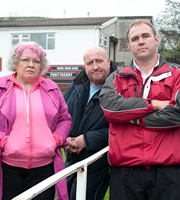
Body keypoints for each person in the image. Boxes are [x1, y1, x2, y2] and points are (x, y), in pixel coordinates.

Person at [99, 19, 180, 200]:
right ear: (129, 45)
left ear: (157, 40)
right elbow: (110, 109)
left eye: (145, 36)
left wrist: (135, 119)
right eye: (135, 38)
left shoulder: (177, 75)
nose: (140, 41)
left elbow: (177, 112)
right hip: (126, 173)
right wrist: (155, 104)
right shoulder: (117, 77)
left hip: (168, 172)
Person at [0, 41, 72, 200]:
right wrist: (4, 141)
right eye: (25, 60)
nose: (31, 65)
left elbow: (65, 119)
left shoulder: (52, 88)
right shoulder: (2, 87)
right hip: (8, 168)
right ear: (15, 63)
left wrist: (56, 139)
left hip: (44, 168)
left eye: (36, 61)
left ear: (42, 66)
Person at [64, 46, 117, 200]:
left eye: (99, 61)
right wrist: (65, 137)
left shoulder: (120, 88)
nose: (95, 66)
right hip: (71, 158)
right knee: (66, 196)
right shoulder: (77, 85)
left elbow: (124, 128)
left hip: (99, 163)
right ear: (84, 66)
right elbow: (62, 116)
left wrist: (87, 140)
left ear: (108, 62)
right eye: (90, 63)